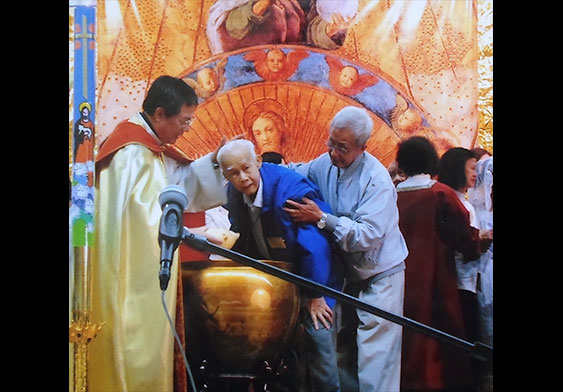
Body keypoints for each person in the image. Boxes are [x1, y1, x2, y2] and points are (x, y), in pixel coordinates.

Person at [90, 75, 230, 392]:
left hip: (137, 268)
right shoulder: (130, 153)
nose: (188, 128)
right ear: (159, 115)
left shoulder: (146, 147)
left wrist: (216, 163)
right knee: (133, 341)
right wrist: (195, 232)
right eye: (185, 120)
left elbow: (176, 188)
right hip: (130, 276)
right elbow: (143, 222)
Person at [284, 105, 408, 392]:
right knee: (342, 352)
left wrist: (322, 219)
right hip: (345, 276)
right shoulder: (324, 164)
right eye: (331, 143)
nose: (333, 153)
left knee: (376, 359)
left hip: (380, 275)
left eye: (342, 148)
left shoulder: (376, 181)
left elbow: (367, 236)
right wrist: (261, 169)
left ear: (362, 148)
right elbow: (297, 172)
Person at [217, 139, 344, 391]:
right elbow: (241, 236)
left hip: (316, 278)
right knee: (282, 349)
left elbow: (315, 247)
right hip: (277, 281)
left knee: (318, 340)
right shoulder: (233, 194)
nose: (242, 178)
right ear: (225, 175)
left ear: (259, 162)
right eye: (233, 173)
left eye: (246, 168)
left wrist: (316, 296)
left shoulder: (289, 191)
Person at [395, 136, 488, 391]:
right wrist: (478, 241)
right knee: (439, 331)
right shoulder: (440, 194)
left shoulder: (393, 194)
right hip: (434, 271)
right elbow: (465, 238)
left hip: (399, 273)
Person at [438, 147, 493, 345]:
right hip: (459, 280)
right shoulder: (453, 202)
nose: (476, 174)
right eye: (472, 168)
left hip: (468, 279)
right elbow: (462, 241)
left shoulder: (462, 202)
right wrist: (481, 239)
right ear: (457, 169)